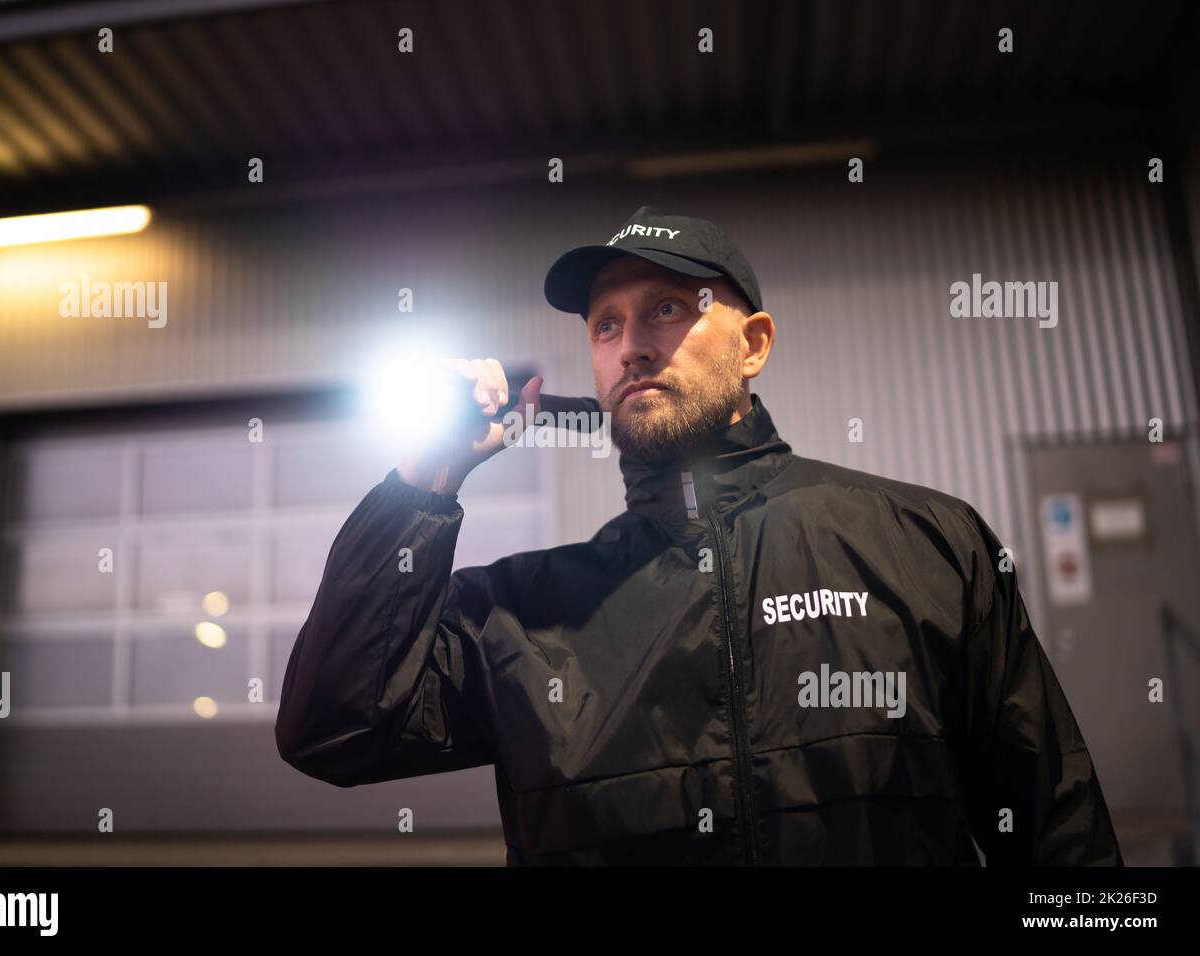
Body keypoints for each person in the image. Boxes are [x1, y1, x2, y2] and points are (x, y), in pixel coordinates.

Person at [275, 206, 1123, 866]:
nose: (631, 348)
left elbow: (1054, 829)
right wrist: (423, 486)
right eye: (605, 326)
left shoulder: (925, 543)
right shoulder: (526, 615)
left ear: (754, 345)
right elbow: (335, 730)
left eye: (668, 309)